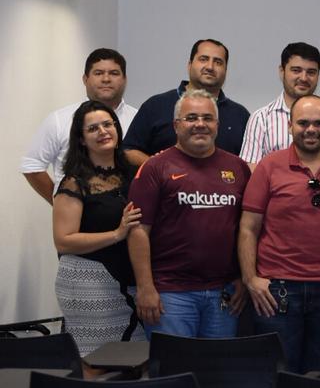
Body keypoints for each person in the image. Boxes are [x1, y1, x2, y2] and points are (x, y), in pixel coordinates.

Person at [238, 95, 320, 373]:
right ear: (289, 125)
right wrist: (250, 279)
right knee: (277, 376)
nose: (311, 129)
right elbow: (248, 227)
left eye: (319, 123)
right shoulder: (269, 167)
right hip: (277, 291)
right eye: (303, 123)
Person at [126, 89, 250, 338]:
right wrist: (145, 287)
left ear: (217, 124)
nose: (200, 124)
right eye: (191, 118)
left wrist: (242, 277)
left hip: (223, 294)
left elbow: (245, 229)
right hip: (170, 295)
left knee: (216, 373)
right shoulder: (154, 168)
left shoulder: (238, 168)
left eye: (207, 118)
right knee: (175, 371)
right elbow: (138, 231)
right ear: (176, 125)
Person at [51, 100, 141, 360]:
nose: (102, 131)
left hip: (131, 282)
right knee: (98, 361)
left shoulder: (133, 173)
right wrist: (117, 233)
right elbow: (63, 241)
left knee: (134, 358)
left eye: (107, 124)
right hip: (89, 284)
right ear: (81, 139)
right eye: (92, 129)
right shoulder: (74, 181)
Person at [23, 48, 137, 204]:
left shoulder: (139, 118)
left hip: (131, 216)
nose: (106, 79)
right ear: (85, 79)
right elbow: (32, 166)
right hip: (76, 223)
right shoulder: (60, 119)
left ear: (124, 79)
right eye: (98, 73)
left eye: (114, 73)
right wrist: (62, 202)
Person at [123, 39, 250, 166]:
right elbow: (128, 150)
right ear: (189, 64)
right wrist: (157, 167)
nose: (210, 67)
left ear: (226, 70)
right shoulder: (155, 106)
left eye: (218, 62)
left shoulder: (240, 115)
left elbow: (248, 163)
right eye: (203, 59)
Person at [240, 42, 320, 168]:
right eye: (296, 70)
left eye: (311, 72)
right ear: (282, 71)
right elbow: (252, 171)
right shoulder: (261, 119)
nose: (304, 78)